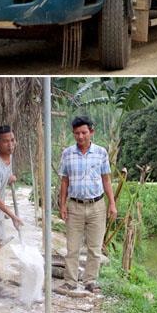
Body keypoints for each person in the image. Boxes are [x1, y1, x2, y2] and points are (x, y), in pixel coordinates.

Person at [59, 116, 117, 294]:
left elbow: (106, 179)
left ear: (91, 132)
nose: (80, 136)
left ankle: (90, 281)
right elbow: (64, 181)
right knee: (72, 247)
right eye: (77, 133)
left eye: (84, 132)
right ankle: (70, 281)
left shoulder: (101, 153)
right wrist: (62, 205)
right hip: (74, 206)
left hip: (97, 206)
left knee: (94, 247)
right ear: (73, 134)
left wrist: (112, 204)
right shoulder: (67, 154)